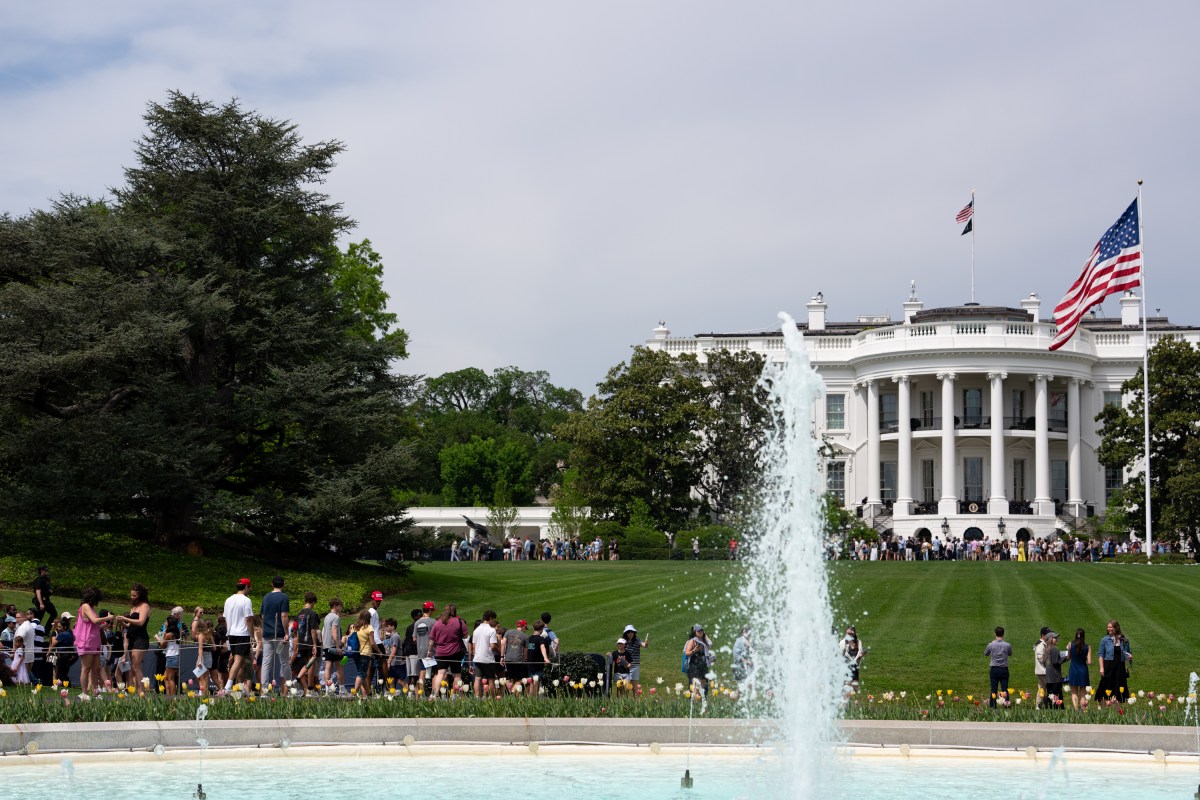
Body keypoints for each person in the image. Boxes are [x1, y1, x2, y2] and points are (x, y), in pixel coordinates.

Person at [116, 584, 152, 694]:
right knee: (133, 667)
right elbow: (131, 625)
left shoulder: (144, 606)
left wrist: (125, 618)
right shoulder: (133, 608)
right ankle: (138, 691)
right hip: (132, 638)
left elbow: (140, 622)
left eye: (134, 595)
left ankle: (142, 692)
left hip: (140, 639)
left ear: (140, 595)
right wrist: (122, 622)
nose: (132, 597)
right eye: (131, 595)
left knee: (136, 666)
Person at [429, 603, 469, 698]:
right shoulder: (459, 621)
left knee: (440, 674)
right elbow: (465, 635)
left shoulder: (438, 623)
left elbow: (431, 640)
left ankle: (434, 694)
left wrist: (429, 652)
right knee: (457, 675)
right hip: (455, 651)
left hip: (440, 652)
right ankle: (456, 696)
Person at [74, 587, 108, 694]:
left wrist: (104, 625)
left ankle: (94, 691)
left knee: (96, 668)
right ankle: (84, 693)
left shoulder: (91, 608)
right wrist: (108, 618)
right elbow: (94, 620)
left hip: (95, 641)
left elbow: (93, 625)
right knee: (86, 667)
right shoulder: (85, 606)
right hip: (87, 641)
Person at [223, 578, 254, 692]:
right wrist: (252, 635)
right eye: (250, 587)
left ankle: (239, 687)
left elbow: (225, 618)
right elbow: (249, 619)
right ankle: (228, 686)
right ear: (246, 587)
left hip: (231, 632)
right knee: (238, 660)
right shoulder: (246, 600)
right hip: (242, 633)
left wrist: (228, 631)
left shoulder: (228, 599)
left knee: (239, 661)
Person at [1095, 619, 1132, 703]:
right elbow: (1101, 654)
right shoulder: (1104, 640)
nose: (1108, 629)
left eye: (1110, 627)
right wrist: (1101, 668)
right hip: (1109, 667)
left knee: (1118, 691)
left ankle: (1117, 711)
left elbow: (1128, 653)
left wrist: (1130, 657)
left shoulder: (1124, 640)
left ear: (1116, 628)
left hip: (1120, 668)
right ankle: (1105, 710)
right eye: (1108, 627)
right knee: (1105, 689)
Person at [291, 592, 321, 694]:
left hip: (301, 642)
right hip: (309, 641)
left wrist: (298, 642)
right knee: (311, 663)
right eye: (314, 604)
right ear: (312, 602)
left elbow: (297, 630)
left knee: (307, 663)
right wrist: (314, 645)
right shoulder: (313, 614)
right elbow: (313, 630)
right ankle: (310, 687)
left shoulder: (298, 614)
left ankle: (300, 680)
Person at [470, 610, 500, 698]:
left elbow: (474, 646)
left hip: (478, 657)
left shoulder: (476, 630)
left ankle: (476, 697)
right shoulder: (491, 630)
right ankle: (491, 697)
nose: (494, 621)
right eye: (493, 619)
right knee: (491, 679)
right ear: (490, 618)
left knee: (477, 679)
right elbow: (492, 645)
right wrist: (499, 651)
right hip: (488, 658)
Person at [983, 626, 1012, 708]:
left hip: (994, 669)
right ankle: (1006, 706)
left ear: (995, 634)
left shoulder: (991, 645)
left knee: (993, 689)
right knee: (1005, 689)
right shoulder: (1007, 645)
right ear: (1003, 634)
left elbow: (986, 653)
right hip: (1004, 669)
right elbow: (1010, 654)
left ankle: (993, 706)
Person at [321, 597, 344, 693]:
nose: (341, 608)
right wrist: (338, 646)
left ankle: (328, 690)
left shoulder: (326, 617)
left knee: (328, 667)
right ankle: (342, 689)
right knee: (340, 667)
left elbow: (323, 631)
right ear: (335, 605)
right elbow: (334, 632)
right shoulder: (336, 617)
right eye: (340, 606)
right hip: (334, 645)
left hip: (326, 645)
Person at [1066, 627, 1091, 710]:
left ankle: (1076, 709)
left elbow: (1068, 657)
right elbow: (1089, 662)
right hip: (1083, 670)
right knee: (1083, 693)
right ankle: (1083, 710)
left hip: (1073, 670)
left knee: (1074, 692)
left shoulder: (1070, 644)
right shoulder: (1088, 647)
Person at [684, 624, 714, 695]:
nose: (700, 632)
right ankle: (695, 701)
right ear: (695, 632)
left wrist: (705, 635)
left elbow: (710, 643)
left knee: (704, 687)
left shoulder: (704, 641)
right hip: (694, 666)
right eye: (698, 631)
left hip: (703, 666)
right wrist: (694, 650)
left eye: (701, 631)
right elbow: (687, 653)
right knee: (695, 686)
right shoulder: (692, 641)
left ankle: (703, 700)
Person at [622, 624, 649, 695]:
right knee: (626, 687)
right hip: (626, 666)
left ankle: (636, 703)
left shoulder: (637, 640)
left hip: (635, 666)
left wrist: (646, 644)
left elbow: (644, 645)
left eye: (632, 632)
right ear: (626, 633)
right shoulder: (623, 641)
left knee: (635, 687)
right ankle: (625, 703)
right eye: (629, 632)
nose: (630, 633)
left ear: (634, 633)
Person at [1042, 631, 1066, 709]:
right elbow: (1056, 662)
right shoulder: (1054, 649)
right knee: (1057, 697)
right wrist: (1067, 657)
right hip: (1055, 677)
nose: (1057, 639)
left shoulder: (1046, 649)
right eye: (1055, 638)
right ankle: (1043, 705)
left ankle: (1047, 707)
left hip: (1049, 677)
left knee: (1051, 695)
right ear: (1050, 639)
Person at [502, 619, 528, 684]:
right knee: (518, 679)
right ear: (524, 627)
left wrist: (502, 656)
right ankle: (514, 692)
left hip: (508, 659)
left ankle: (511, 692)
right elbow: (525, 651)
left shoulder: (508, 632)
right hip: (518, 659)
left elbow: (503, 643)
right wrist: (525, 660)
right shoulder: (525, 636)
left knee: (509, 677)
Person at [732, 626, 753, 691]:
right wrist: (746, 661)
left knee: (751, 686)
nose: (747, 631)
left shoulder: (752, 640)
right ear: (742, 632)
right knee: (742, 688)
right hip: (741, 668)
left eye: (748, 629)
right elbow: (736, 655)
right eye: (745, 630)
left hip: (750, 668)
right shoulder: (739, 641)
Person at [1033, 626, 1050, 703]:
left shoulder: (1041, 643)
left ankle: (1038, 706)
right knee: (1050, 687)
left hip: (1040, 670)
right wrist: (1049, 658)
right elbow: (1041, 658)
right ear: (1043, 635)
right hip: (1043, 671)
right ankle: (1048, 704)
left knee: (1041, 689)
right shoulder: (1040, 645)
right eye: (1047, 634)